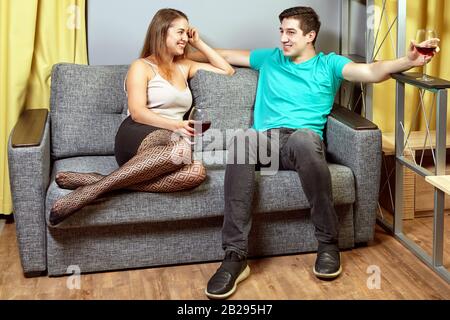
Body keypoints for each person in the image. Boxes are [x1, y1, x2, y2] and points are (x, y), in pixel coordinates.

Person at [189, 6, 439, 299]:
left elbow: (371, 71)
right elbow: (227, 56)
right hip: (265, 142)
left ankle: (328, 244)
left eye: (291, 32)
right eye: (281, 31)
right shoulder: (269, 58)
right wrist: (177, 55)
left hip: (301, 142)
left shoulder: (329, 65)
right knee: (243, 140)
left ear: (311, 35)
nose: (283, 38)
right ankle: (234, 257)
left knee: (306, 139)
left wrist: (409, 60)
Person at [49, 8, 235, 226]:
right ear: (162, 32)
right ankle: (87, 194)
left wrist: (199, 43)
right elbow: (137, 112)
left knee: (197, 172)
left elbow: (227, 71)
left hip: (168, 140)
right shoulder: (141, 66)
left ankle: (94, 181)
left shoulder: (184, 65)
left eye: (187, 33)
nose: (185, 38)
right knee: (182, 149)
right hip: (137, 133)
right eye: (180, 32)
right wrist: (177, 124)